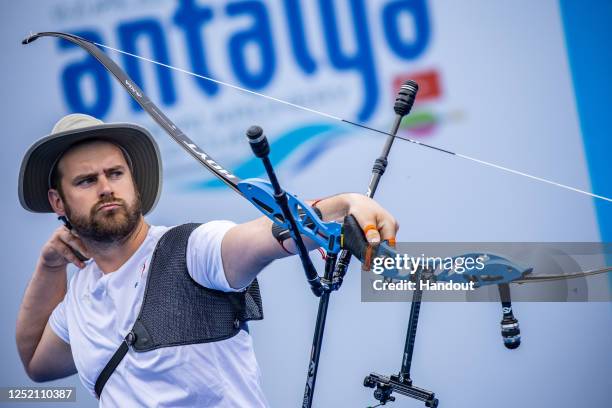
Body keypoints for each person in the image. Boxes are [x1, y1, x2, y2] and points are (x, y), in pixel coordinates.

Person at [16, 113, 399, 406]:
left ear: (132, 181)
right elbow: (35, 362)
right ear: (57, 202)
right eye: (86, 181)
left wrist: (344, 206)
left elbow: (267, 233)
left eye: (115, 173)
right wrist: (49, 266)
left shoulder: (191, 251)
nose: (105, 188)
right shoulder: (80, 295)